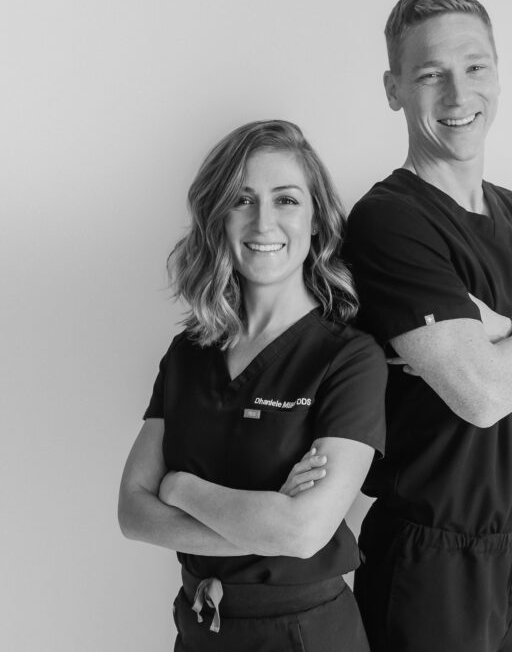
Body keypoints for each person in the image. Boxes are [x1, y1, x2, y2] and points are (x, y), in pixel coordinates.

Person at [343, 0, 512, 652]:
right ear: (393, 88)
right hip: (431, 558)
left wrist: (509, 335)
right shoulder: (390, 219)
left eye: (474, 68)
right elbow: (480, 392)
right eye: (430, 74)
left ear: (498, 71)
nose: (458, 96)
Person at [118, 120, 386, 652]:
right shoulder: (188, 355)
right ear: (219, 218)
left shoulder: (349, 360)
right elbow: (132, 512)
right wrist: (266, 522)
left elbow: (305, 533)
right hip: (200, 626)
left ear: (316, 221)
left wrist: (180, 489)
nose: (264, 221)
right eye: (242, 200)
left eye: (286, 200)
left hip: (303, 632)